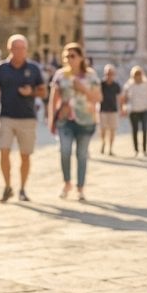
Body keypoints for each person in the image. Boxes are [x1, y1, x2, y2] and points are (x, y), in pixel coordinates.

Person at [0, 34, 46, 203]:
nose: (19, 51)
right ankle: (7, 186)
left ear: (26, 50)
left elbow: (43, 91)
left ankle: (23, 188)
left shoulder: (33, 69)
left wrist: (31, 92)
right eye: (16, 48)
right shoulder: (1, 68)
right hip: (6, 116)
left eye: (22, 48)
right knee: (3, 151)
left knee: (25, 155)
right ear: (9, 49)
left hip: (27, 117)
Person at [48, 44, 100, 202]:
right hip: (65, 120)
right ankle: (67, 183)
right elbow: (53, 99)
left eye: (73, 56)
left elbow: (98, 98)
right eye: (67, 56)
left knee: (82, 155)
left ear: (80, 57)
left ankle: (80, 187)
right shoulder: (60, 75)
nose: (69, 59)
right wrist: (51, 119)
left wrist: (83, 88)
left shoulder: (91, 76)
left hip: (86, 120)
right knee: (64, 151)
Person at [120, 67, 147, 156]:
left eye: (139, 75)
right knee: (135, 130)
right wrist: (123, 107)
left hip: (144, 109)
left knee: (145, 129)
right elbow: (124, 97)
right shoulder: (129, 85)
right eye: (136, 75)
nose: (137, 77)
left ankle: (144, 149)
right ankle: (136, 149)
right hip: (133, 110)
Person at [98, 64, 122, 156]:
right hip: (103, 110)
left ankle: (110, 149)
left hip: (113, 110)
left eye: (111, 73)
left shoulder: (116, 85)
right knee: (103, 130)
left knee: (112, 130)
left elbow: (119, 97)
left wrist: (121, 108)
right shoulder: (101, 84)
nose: (109, 75)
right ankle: (103, 143)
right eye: (107, 73)